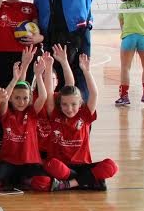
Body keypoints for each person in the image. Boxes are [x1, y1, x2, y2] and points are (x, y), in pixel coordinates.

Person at [39, 53, 118, 191]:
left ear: (80, 103)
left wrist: (87, 71)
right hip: (63, 166)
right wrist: (49, 66)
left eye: (73, 104)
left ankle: (69, 184)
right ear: (59, 104)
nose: (69, 109)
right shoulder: (55, 114)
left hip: (82, 165)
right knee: (51, 164)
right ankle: (88, 181)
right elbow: (49, 92)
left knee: (111, 166)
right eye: (64, 105)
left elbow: (94, 94)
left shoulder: (85, 115)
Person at [0, 56, 51, 191]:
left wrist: (38, 75)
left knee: (44, 182)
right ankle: (16, 178)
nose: (21, 102)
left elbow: (43, 97)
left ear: (30, 99)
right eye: (17, 98)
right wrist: (15, 79)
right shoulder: (6, 113)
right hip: (9, 162)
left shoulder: (32, 112)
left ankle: (22, 178)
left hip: (30, 162)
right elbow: (4, 98)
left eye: (25, 98)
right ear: (11, 99)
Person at [116, 0, 144, 106]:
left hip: (129, 38)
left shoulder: (124, 6)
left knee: (125, 68)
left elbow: (122, 24)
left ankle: (124, 97)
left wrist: (128, 35)